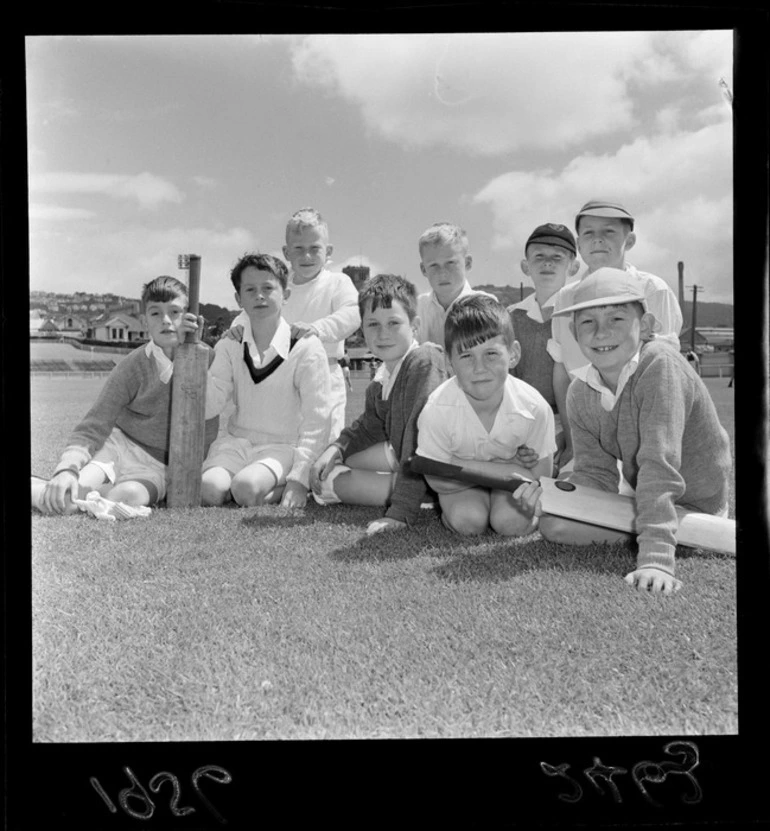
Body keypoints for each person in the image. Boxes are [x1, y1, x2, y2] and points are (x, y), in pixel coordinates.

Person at [519, 267, 732, 595]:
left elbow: (659, 466)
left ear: (645, 326)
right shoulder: (580, 393)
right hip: (644, 496)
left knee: (587, 518)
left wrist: (655, 560)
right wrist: (551, 498)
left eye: (616, 319)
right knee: (552, 524)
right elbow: (594, 476)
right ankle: (659, 529)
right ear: (574, 333)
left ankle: (672, 537)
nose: (601, 333)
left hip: (697, 504)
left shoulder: (660, 365)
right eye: (587, 322)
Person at [31, 276, 219, 514]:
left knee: (126, 497)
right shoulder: (132, 366)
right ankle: (39, 487)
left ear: (191, 318)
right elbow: (94, 424)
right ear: (144, 321)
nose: (166, 321)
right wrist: (67, 469)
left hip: (159, 466)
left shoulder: (206, 358)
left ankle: (88, 495)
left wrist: (188, 470)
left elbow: (210, 423)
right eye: (155, 313)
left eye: (175, 312)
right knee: (66, 500)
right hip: (119, 449)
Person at [550, 199, 683, 472]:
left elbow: (669, 373)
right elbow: (563, 371)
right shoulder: (565, 298)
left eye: (608, 231)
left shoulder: (653, 290)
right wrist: (574, 440)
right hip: (588, 432)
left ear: (629, 240)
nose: (597, 240)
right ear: (578, 244)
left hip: (645, 435)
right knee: (570, 503)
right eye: (588, 233)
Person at [310, 274, 448, 534]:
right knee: (333, 463)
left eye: (394, 323)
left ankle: (425, 497)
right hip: (404, 457)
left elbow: (419, 440)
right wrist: (335, 449)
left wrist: (401, 512)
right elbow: (368, 426)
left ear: (415, 326)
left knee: (330, 483)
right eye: (373, 324)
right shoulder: (382, 376)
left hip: (437, 469)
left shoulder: (424, 361)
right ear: (362, 329)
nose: (383, 334)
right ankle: (411, 489)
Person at [415, 294, 556, 536]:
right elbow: (436, 479)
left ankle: (496, 502)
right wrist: (506, 466)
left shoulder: (533, 407)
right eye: (466, 356)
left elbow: (540, 476)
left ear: (513, 354)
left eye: (491, 354)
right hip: (460, 486)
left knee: (510, 523)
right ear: (450, 363)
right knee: (467, 522)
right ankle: (475, 502)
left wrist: (457, 464)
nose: (479, 368)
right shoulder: (438, 408)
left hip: (484, 481)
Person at [201, 253, 332, 509]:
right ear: (239, 298)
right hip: (236, 444)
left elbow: (318, 419)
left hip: (282, 447)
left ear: (285, 294)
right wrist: (196, 358)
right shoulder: (229, 344)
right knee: (208, 490)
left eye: (268, 288)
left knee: (245, 489)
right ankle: (244, 488)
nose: (259, 296)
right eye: (250, 289)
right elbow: (211, 405)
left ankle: (271, 489)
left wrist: (298, 480)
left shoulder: (306, 346)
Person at [228, 208, 360, 440]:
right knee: (285, 442)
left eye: (314, 248)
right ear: (286, 252)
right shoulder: (276, 284)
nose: (306, 256)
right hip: (281, 375)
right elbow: (252, 311)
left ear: (328, 251)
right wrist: (237, 327)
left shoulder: (338, 282)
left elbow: (353, 313)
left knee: (324, 440)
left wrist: (318, 329)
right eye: (298, 249)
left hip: (326, 375)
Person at [507, 222, 580, 462]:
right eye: (539, 256)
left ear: (573, 267)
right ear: (525, 266)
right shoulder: (511, 316)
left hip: (569, 421)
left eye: (557, 258)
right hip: (522, 418)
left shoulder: (579, 315)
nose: (547, 263)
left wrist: (569, 440)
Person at [415, 222, 495, 351]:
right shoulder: (415, 308)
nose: (442, 272)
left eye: (450, 263)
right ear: (423, 269)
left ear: (468, 263)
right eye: (433, 265)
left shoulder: (487, 305)